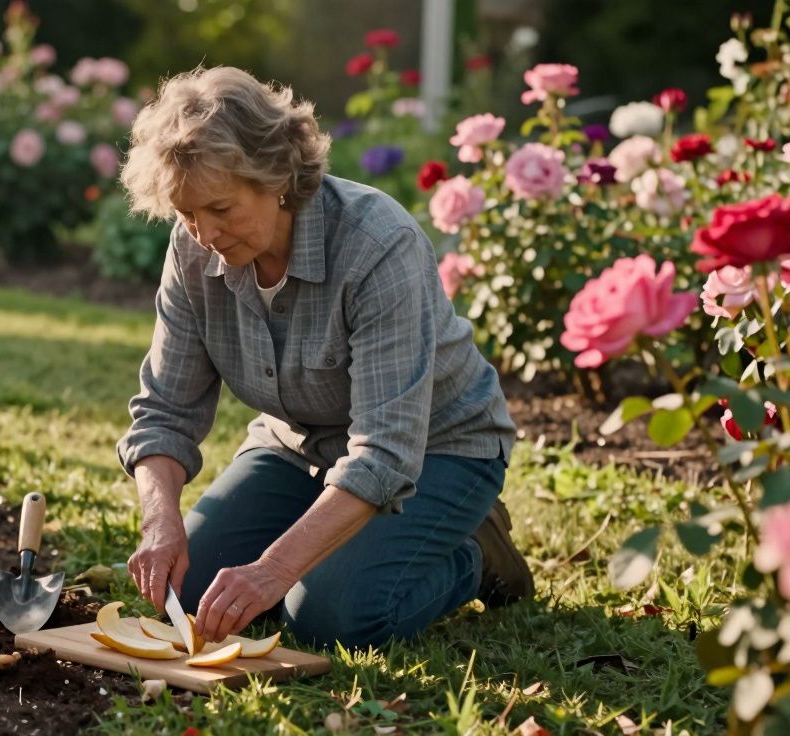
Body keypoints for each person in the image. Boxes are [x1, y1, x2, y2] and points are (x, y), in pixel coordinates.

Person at [115, 66, 531, 649]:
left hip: (437, 449)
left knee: (326, 617)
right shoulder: (192, 247)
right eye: (187, 215)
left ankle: (470, 556)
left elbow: (385, 453)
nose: (203, 233)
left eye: (221, 209)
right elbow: (164, 412)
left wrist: (273, 570)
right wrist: (160, 522)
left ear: (276, 176)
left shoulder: (376, 244)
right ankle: (338, 536)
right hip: (298, 446)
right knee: (187, 593)